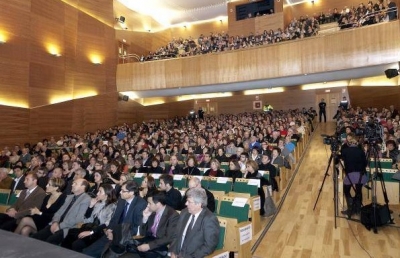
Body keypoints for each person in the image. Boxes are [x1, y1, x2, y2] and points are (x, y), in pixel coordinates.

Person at [82, 180, 147, 258]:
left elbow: (136, 228)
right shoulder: (121, 200)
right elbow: (115, 218)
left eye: (123, 191)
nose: (120, 192)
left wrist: (116, 235)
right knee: (87, 252)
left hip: (125, 240)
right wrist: (109, 230)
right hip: (113, 233)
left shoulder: (140, 204)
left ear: (131, 192)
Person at [31, 178, 91, 245]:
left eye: (75, 183)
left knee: (49, 241)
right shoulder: (69, 197)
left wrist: (60, 226)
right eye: (73, 183)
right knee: (35, 237)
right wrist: (55, 222)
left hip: (68, 228)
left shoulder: (86, 199)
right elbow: (59, 212)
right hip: (56, 224)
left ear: (83, 187)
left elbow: (78, 219)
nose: (72, 185)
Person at [62, 184, 118, 252]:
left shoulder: (112, 206)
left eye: (100, 192)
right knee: (71, 233)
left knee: (77, 244)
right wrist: (90, 207)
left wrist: (91, 232)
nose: (97, 193)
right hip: (91, 227)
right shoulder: (98, 203)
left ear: (106, 194)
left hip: (100, 231)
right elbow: (88, 219)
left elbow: (107, 224)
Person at [169, 188, 219, 258]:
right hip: (177, 254)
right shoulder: (184, 212)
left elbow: (209, 246)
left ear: (199, 204)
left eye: (189, 202)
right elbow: (176, 233)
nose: (186, 204)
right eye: (186, 200)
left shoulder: (209, 219)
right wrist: (173, 252)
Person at [129, 190, 179, 258]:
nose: (147, 205)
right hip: (150, 239)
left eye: (150, 203)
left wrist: (149, 246)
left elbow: (168, 238)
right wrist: (145, 218)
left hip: (161, 244)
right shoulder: (152, 212)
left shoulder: (172, 215)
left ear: (158, 204)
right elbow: (142, 233)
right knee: (128, 242)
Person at [340, 133, 367, 218]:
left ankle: (350, 208)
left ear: (349, 143)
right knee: (359, 192)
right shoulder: (361, 151)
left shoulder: (345, 151)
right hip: (361, 175)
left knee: (346, 191)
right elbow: (365, 163)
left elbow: (341, 159)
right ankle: (358, 209)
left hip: (350, 175)